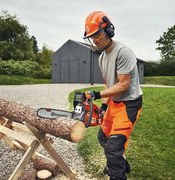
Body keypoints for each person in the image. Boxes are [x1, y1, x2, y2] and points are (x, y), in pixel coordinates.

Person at [82, 11, 143, 180]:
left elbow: (123, 85)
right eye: (92, 37)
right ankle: (121, 163)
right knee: (103, 137)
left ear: (108, 30)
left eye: (97, 35)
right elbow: (109, 85)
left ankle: (116, 171)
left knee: (113, 148)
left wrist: (95, 94)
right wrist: (103, 106)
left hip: (129, 105)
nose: (95, 40)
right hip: (114, 104)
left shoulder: (123, 52)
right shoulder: (102, 58)